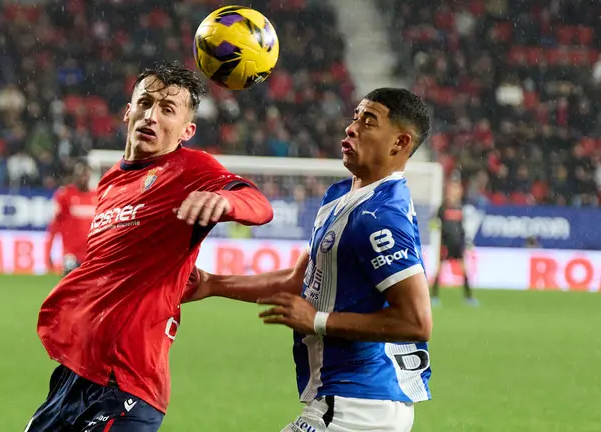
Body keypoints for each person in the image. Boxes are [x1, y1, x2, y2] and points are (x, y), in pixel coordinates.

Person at [25, 62, 274, 432]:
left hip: (126, 385)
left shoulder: (190, 168)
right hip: (75, 375)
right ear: (129, 111)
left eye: (167, 109)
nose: (151, 115)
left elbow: (259, 204)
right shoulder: (110, 181)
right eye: (145, 103)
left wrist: (227, 203)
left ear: (186, 130)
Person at [186, 88, 433, 432]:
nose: (351, 128)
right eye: (355, 117)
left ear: (399, 143)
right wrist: (213, 283)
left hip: (359, 407)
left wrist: (318, 320)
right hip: (351, 401)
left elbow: (417, 322)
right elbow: (297, 281)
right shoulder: (341, 197)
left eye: (368, 121)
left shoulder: (381, 216)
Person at [430, 176, 478, 307]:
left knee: (464, 270)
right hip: (445, 244)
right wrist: (436, 230)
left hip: (458, 244)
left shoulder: (461, 207)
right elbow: (433, 222)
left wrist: (466, 242)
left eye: (456, 190)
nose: (453, 192)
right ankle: (434, 297)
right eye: (451, 190)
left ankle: (468, 298)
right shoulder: (443, 208)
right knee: (439, 270)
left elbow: (462, 227)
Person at [44, 160, 98, 276]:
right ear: (74, 176)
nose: (84, 178)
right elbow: (54, 226)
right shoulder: (65, 195)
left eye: (86, 174)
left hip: (93, 255)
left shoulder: (97, 196)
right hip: (71, 256)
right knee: (70, 291)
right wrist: (48, 253)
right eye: (81, 175)